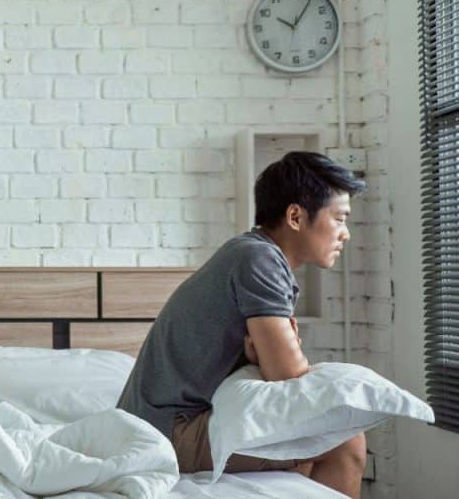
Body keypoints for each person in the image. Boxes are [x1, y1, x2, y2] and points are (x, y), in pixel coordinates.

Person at [117, 151, 368, 499]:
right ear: (295, 216)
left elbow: (277, 372)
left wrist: (260, 358)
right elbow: (288, 376)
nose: (346, 234)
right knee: (344, 439)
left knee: (308, 448)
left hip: (155, 422)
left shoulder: (250, 253)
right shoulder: (260, 259)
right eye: (339, 219)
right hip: (164, 432)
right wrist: (269, 360)